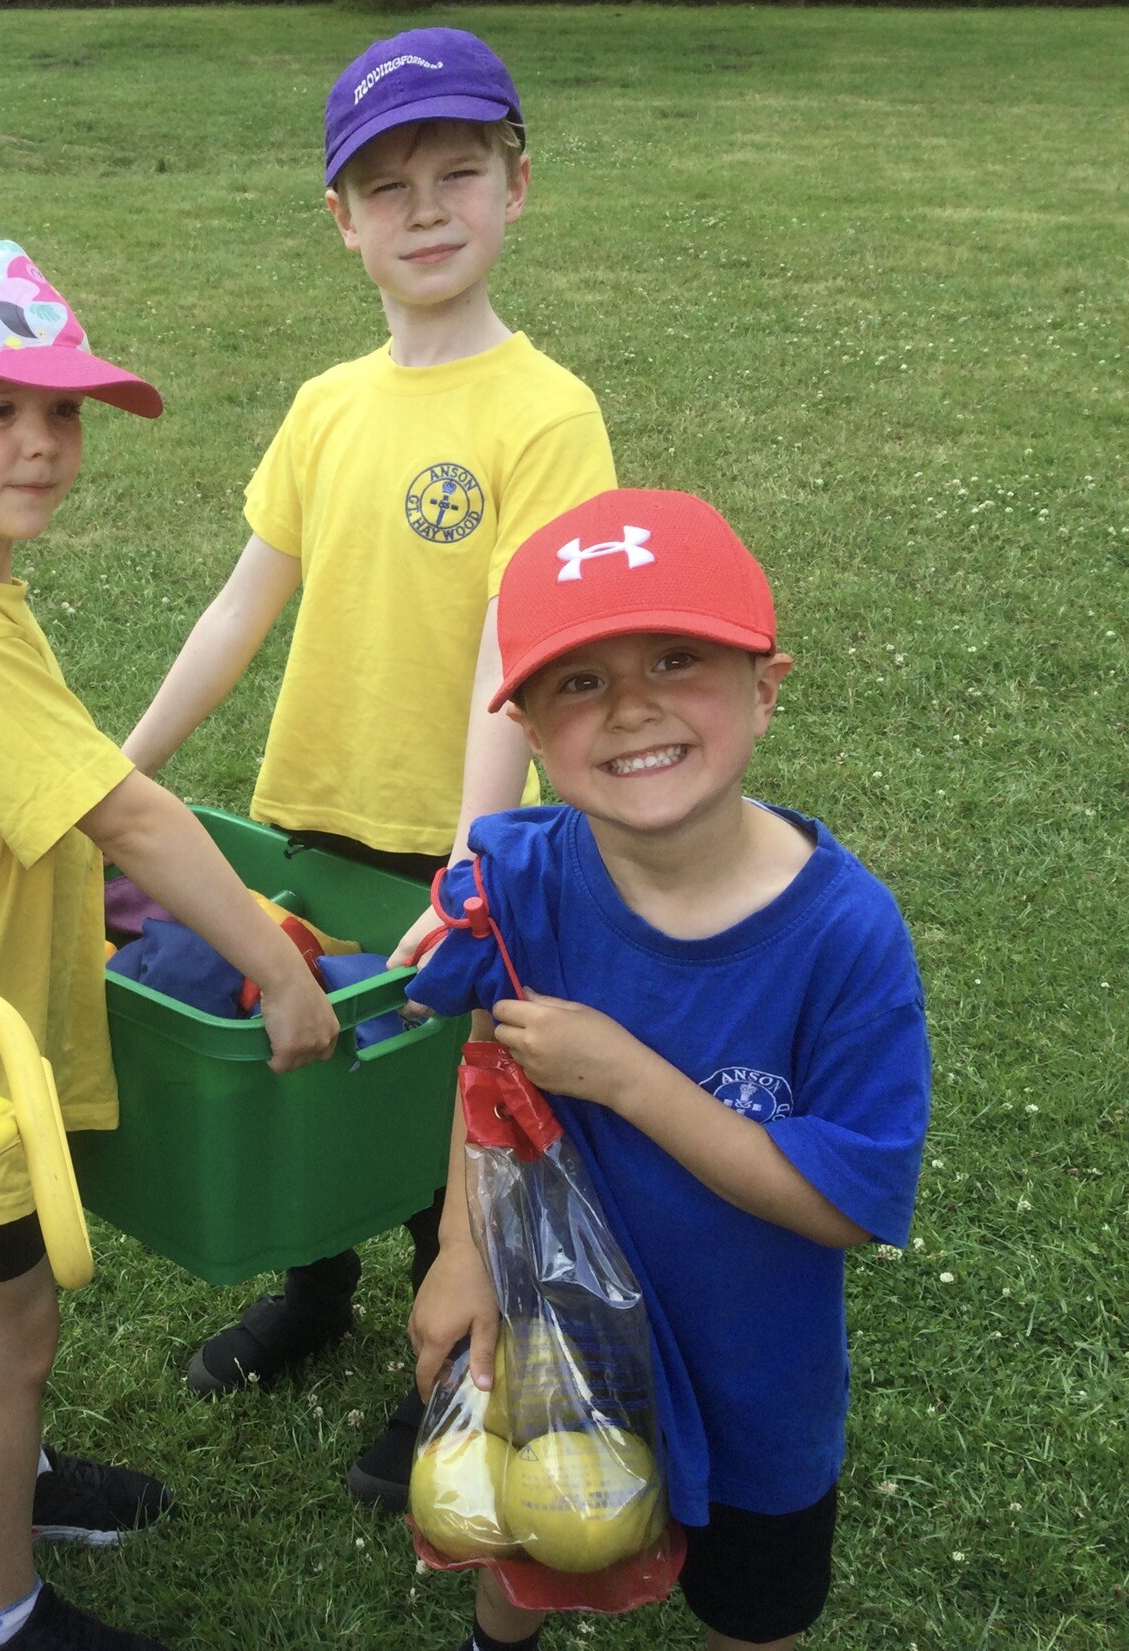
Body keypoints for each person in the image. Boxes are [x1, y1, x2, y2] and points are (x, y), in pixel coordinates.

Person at [0, 237, 341, 1651]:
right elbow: (136, 817)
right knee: (14, 1341)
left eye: (62, 410)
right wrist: (280, 967)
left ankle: (22, 1485)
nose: (43, 442)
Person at [121, 26, 617, 1508]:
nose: (425, 208)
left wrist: (474, 854)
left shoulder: (546, 410)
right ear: (340, 219)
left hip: (445, 838)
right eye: (385, 186)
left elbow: (514, 659)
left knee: (438, 1104)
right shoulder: (329, 404)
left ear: (517, 185)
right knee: (302, 1055)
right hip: (305, 807)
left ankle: (452, 1353)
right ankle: (313, 1289)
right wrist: (119, 771)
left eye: (458, 170)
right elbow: (241, 598)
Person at [403, 488, 931, 1651]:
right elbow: (488, 1054)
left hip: (752, 1376)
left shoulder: (840, 934)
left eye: (676, 659)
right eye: (579, 681)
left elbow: (847, 1203)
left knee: (752, 1608)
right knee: (521, 1556)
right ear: (531, 731)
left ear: (765, 687)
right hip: (554, 1343)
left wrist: (628, 1077)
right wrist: (457, 1246)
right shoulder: (520, 878)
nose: (631, 706)